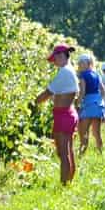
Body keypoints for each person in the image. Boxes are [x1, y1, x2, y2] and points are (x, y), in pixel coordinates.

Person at [34, 44, 79, 184]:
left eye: (55, 59)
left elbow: (47, 93)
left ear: (61, 56)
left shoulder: (64, 72)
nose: (54, 63)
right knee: (68, 150)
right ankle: (69, 181)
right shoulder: (70, 71)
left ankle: (64, 185)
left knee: (62, 153)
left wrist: (34, 102)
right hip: (69, 113)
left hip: (63, 115)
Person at [75, 54, 105, 155]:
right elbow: (103, 91)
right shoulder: (97, 74)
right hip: (98, 105)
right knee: (97, 133)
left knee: (84, 133)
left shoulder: (82, 75)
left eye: (81, 63)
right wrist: (98, 100)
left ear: (87, 63)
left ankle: (81, 155)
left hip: (87, 106)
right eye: (79, 63)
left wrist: (77, 104)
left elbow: (82, 92)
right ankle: (100, 153)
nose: (79, 65)